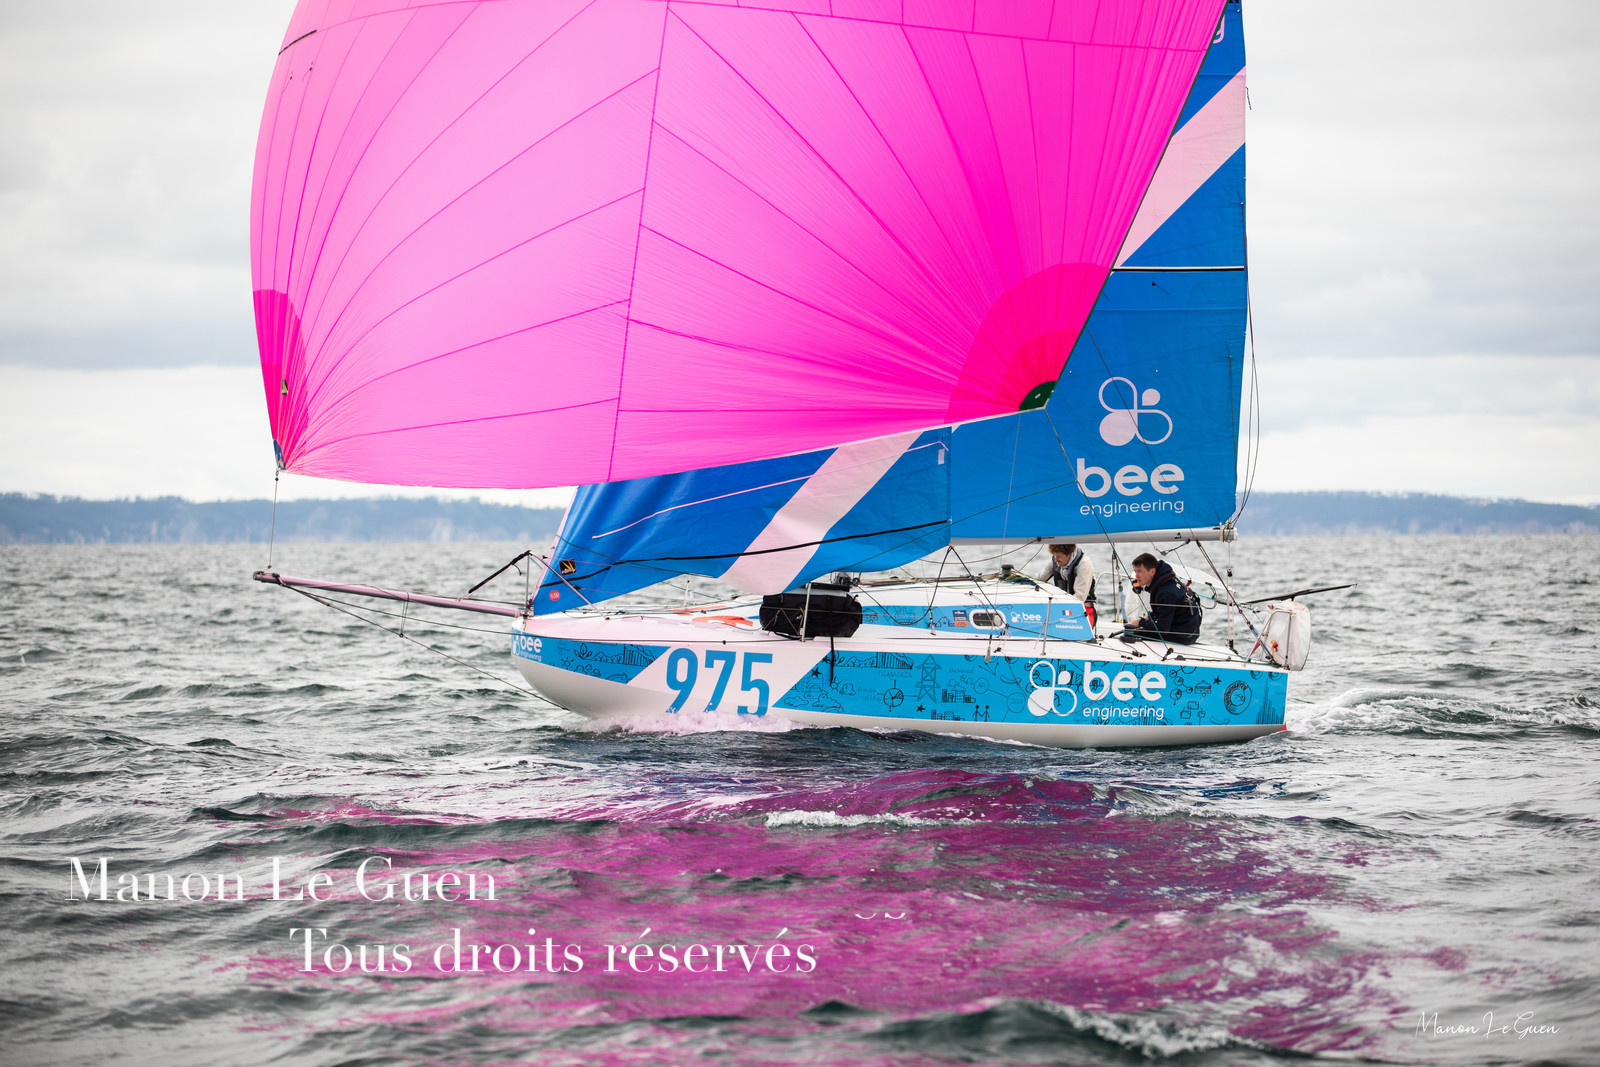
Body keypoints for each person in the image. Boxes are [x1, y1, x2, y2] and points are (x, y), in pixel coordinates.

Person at [1125, 552, 1200, 644]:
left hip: (1182, 637)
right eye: (1135, 571)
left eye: (1139, 571)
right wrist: (1149, 618)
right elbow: (1166, 611)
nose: (1136, 575)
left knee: (1130, 634)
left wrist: (1140, 622)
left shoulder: (1165, 591)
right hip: (1188, 631)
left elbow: (1162, 629)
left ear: (1152, 572)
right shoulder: (1165, 581)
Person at [1037, 543, 1096, 625]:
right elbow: (1039, 578)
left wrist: (1059, 611)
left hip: (1084, 609)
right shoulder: (1055, 561)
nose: (1055, 560)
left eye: (1058, 556)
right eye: (1054, 556)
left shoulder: (1084, 564)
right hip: (1062, 606)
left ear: (1069, 554)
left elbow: (1079, 597)